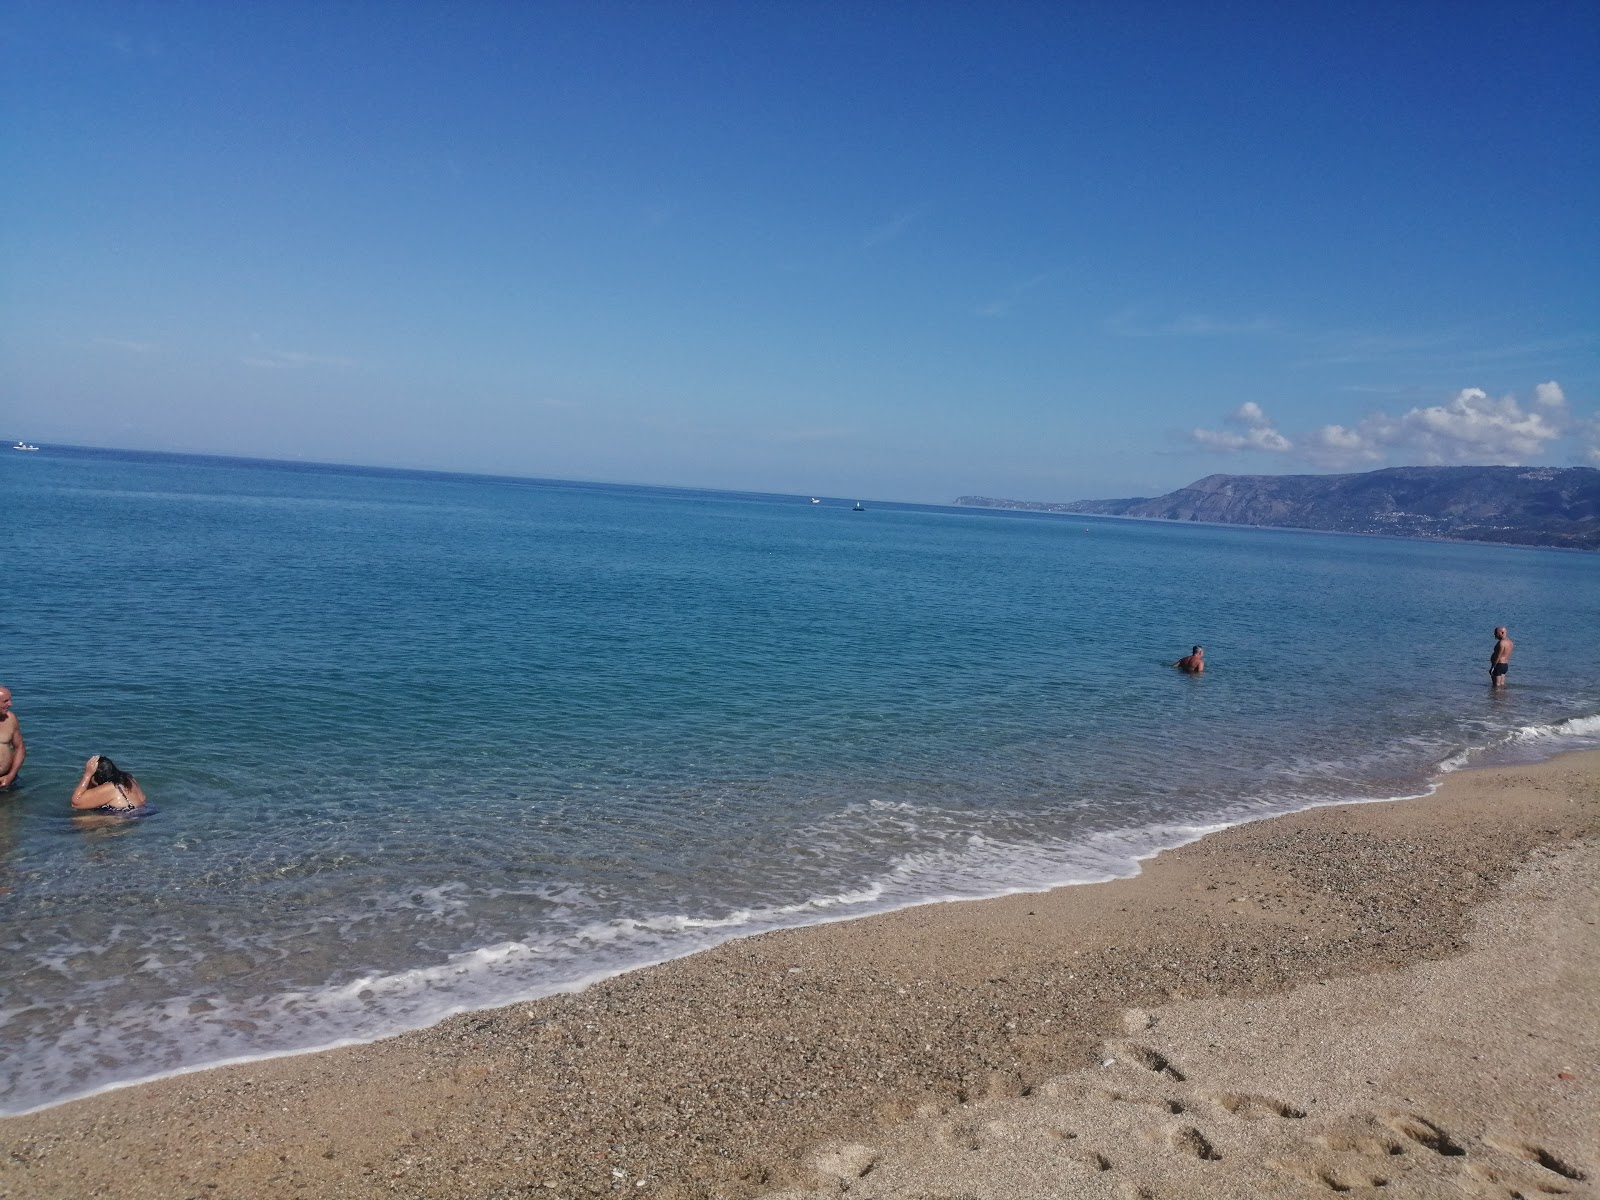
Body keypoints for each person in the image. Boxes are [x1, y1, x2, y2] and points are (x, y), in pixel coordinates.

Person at [70, 755, 149, 812]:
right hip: (144, 811)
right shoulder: (127, 778)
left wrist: (87, 775)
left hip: (127, 818)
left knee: (81, 820)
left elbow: (76, 803)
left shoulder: (111, 788)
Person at [0, 686, 23, 791]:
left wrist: (11, 775)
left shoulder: (10, 719)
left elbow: (20, 748)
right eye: (6, 701)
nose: (10, 704)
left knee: (15, 806)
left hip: (9, 779)